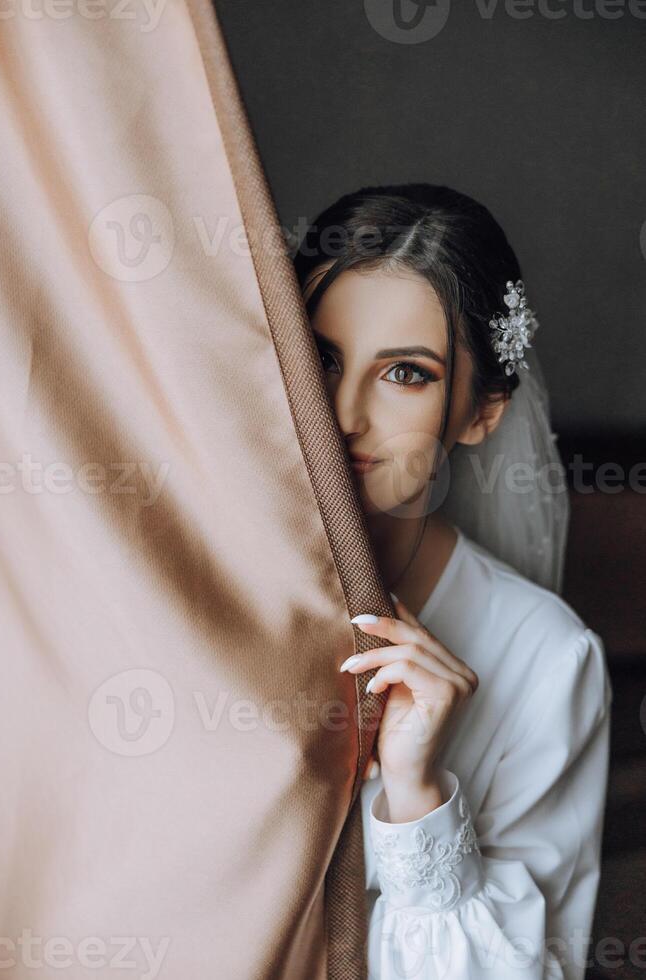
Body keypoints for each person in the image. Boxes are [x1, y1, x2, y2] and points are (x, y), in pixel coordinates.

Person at [292, 184, 613, 979]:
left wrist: (418, 794)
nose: (341, 413)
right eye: (320, 359)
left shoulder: (549, 657)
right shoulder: (187, 579)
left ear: (482, 413)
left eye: (406, 373)